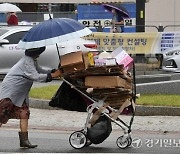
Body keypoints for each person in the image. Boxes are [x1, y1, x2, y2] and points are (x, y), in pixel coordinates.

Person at [0, 47, 62, 148]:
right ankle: (24, 140)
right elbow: (35, 76)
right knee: (2, 115)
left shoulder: (32, 60)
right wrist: (51, 76)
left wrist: (52, 71)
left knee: (24, 113)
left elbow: (39, 70)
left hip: (20, 93)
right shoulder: (27, 61)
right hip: (11, 92)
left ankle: (24, 141)